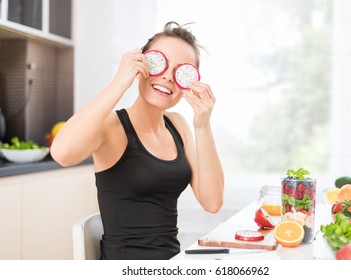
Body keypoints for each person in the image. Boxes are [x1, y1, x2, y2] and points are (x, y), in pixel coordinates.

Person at [50, 21, 224, 260]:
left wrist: (202, 124)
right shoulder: (112, 126)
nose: (167, 77)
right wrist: (120, 83)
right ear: (142, 64)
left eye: (180, 71)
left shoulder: (178, 126)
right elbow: (62, 153)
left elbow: (212, 202)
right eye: (160, 63)